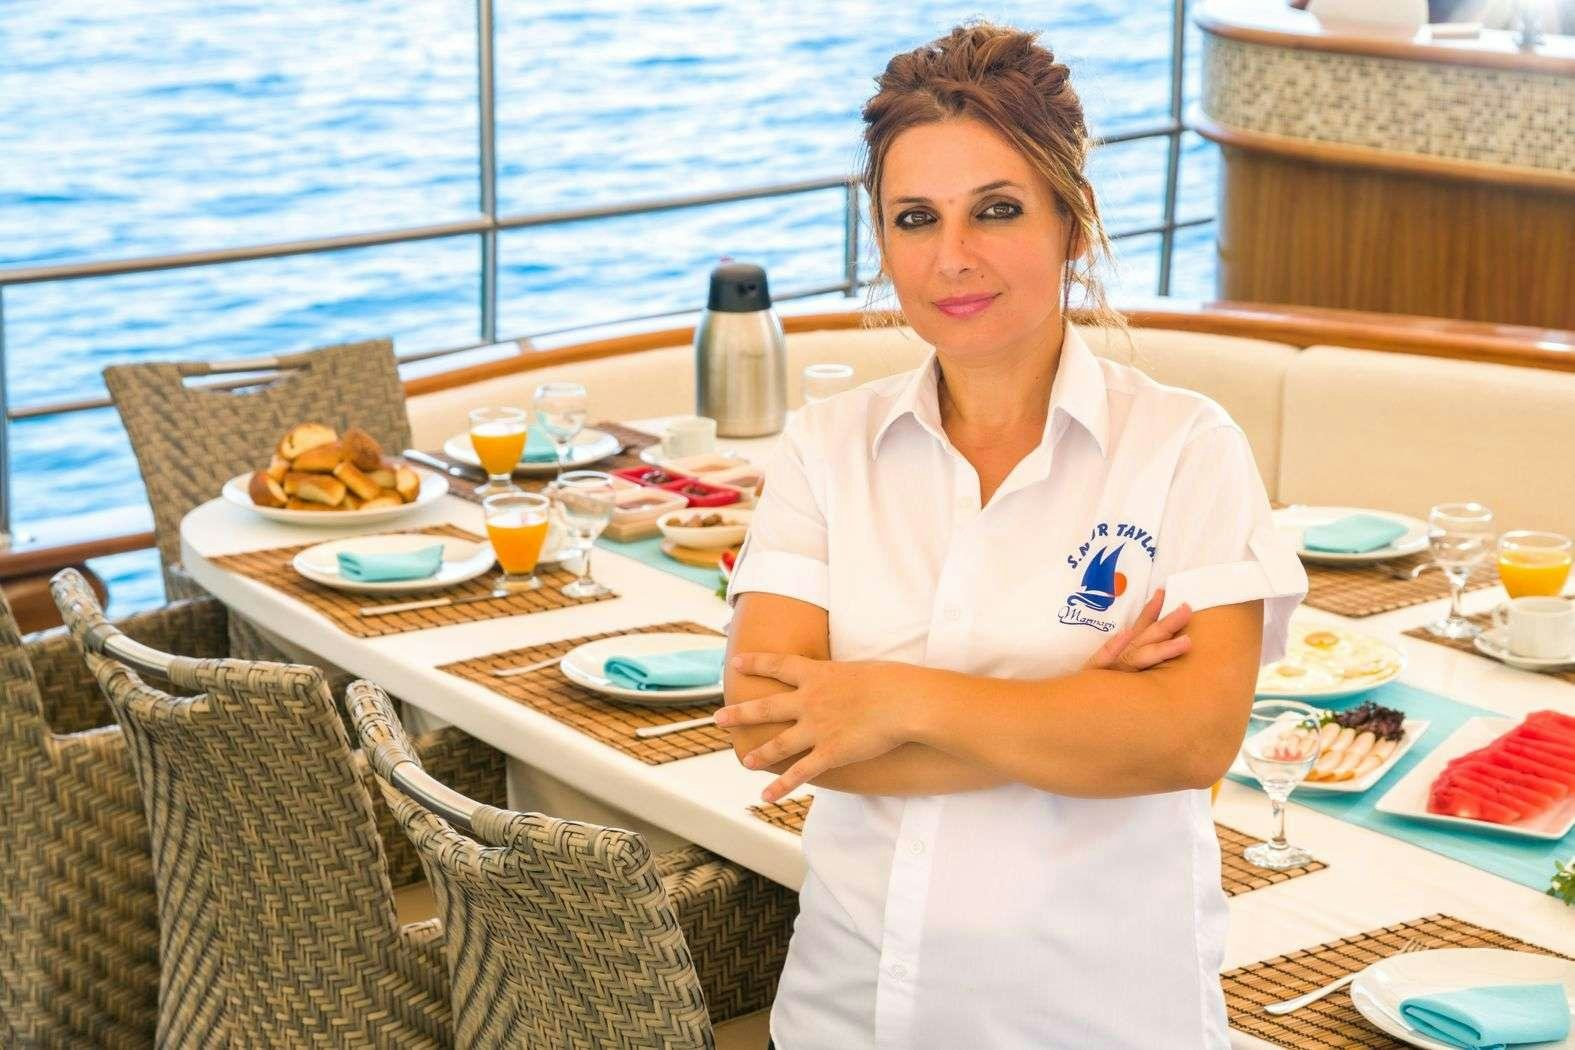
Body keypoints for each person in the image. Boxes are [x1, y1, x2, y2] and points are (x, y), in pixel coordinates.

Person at [717, 22, 1308, 1050]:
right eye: (914, 219)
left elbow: (1190, 740)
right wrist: (1086, 720)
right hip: (843, 1015)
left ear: (1070, 223)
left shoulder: (1185, 449)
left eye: (996, 209)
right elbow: (775, 727)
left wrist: (890, 698)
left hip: (1104, 1022)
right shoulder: (824, 447)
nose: (952, 257)